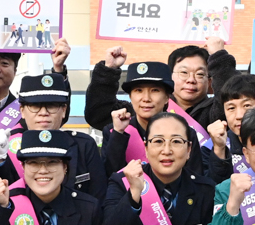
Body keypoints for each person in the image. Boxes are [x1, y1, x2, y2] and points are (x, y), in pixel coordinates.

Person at [93, 59, 227, 187]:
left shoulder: (185, 132)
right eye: (138, 90)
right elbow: (109, 177)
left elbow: (195, 178)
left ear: (167, 97)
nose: (146, 99)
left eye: (155, 90)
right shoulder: (114, 131)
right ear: (130, 97)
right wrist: (118, 135)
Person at [0, 129, 103, 225]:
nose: (43, 170)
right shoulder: (7, 204)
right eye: (33, 163)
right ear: (23, 167)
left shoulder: (89, 208)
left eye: (52, 162)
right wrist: (2, 208)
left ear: (65, 167)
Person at [102, 113, 217, 225]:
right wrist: (133, 194)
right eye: (158, 141)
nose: (167, 150)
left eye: (176, 141)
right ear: (146, 148)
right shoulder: (122, 182)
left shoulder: (205, 189)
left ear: (189, 150)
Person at [0, 71, 107, 200]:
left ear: (63, 111)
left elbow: (99, 198)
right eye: (35, 106)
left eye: (51, 106)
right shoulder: (6, 146)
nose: (43, 113)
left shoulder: (83, 145)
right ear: (22, 111)